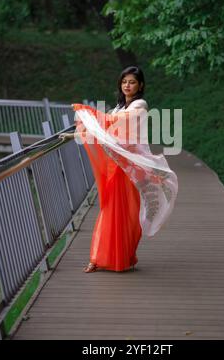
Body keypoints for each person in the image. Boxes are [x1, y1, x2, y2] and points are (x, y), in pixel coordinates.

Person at [60, 66, 178, 273]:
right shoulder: (118, 108)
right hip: (115, 166)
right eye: (124, 82)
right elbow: (100, 130)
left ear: (140, 85)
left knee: (125, 212)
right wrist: (73, 135)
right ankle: (99, 258)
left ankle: (118, 258)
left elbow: (111, 123)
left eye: (132, 82)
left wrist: (85, 111)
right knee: (111, 209)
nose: (127, 86)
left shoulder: (139, 105)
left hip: (128, 167)